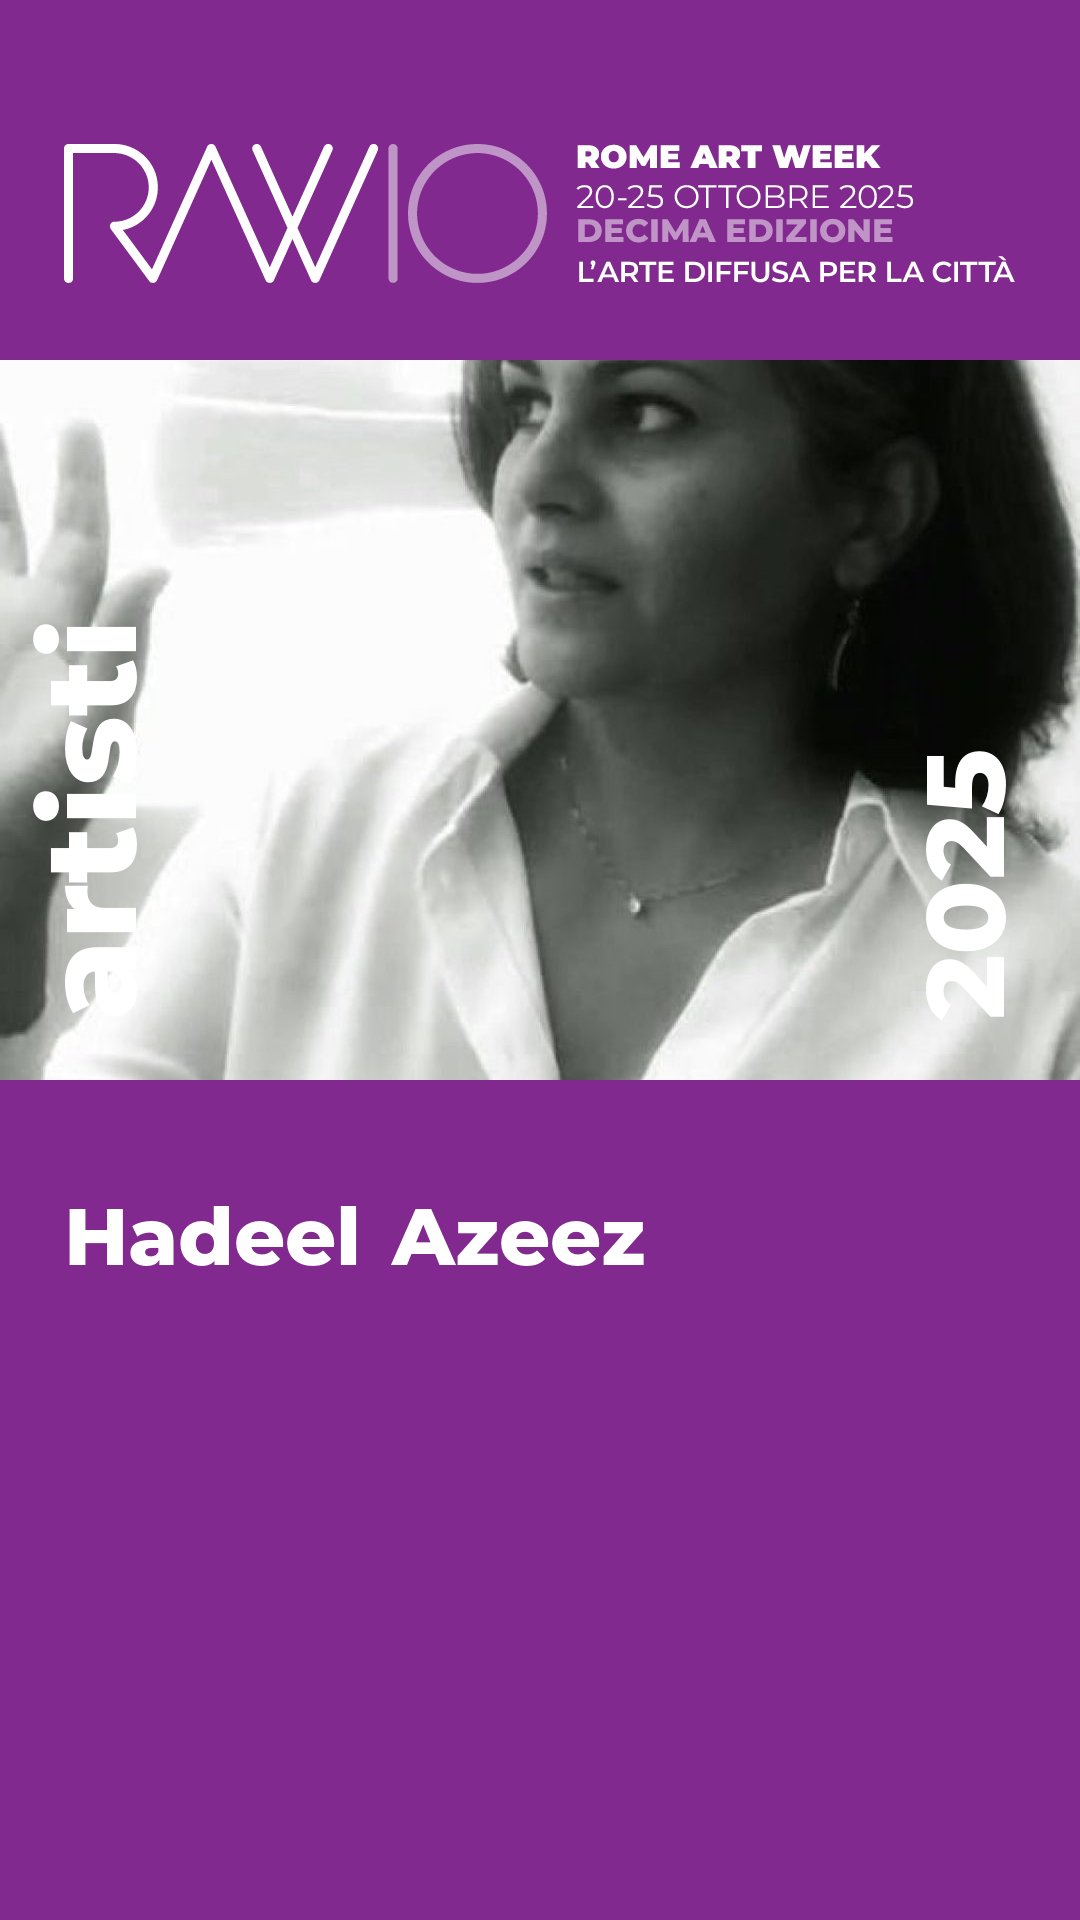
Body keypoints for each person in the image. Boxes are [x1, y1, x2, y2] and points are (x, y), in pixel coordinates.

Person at [1, 359, 1079, 1079]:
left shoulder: (1033, 984)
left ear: (874, 511)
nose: (539, 479)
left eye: (646, 411)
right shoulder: (308, 830)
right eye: (524, 404)